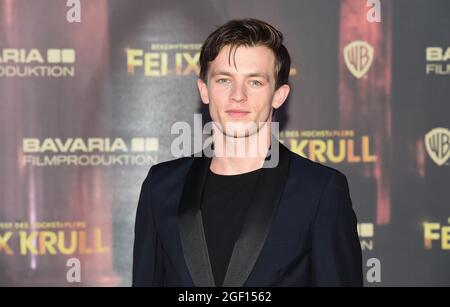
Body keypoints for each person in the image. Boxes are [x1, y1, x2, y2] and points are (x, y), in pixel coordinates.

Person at [132, 18, 362, 287]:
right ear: (204, 90)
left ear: (279, 95)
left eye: (255, 82)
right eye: (224, 80)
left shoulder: (319, 190)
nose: (237, 95)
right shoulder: (160, 187)